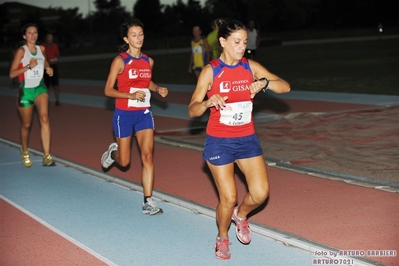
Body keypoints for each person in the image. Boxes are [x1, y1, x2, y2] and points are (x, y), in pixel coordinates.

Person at [188, 19, 290, 260]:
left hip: (247, 140)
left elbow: (285, 86)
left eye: (244, 42)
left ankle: (240, 216)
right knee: (229, 197)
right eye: (236, 42)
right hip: (219, 141)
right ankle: (222, 237)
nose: (242, 47)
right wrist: (206, 102)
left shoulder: (250, 67)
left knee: (260, 194)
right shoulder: (210, 70)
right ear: (223, 42)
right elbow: (192, 109)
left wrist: (264, 83)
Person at [101, 18, 168, 215]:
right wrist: (129, 95)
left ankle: (148, 200)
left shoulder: (149, 61)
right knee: (124, 162)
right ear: (126, 38)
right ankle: (113, 153)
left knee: (147, 156)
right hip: (124, 115)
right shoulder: (120, 60)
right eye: (134, 35)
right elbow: (107, 90)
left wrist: (158, 89)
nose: (138, 38)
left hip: (144, 113)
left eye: (141, 34)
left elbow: (147, 82)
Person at [9, 23, 56, 167]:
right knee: (26, 124)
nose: (33, 35)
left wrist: (48, 69)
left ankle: (47, 155)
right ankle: (24, 150)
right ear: (24, 36)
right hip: (26, 91)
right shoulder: (21, 52)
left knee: (44, 118)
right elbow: (12, 74)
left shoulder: (41, 49)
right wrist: (29, 66)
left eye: (35, 32)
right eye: (29, 33)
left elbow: (45, 63)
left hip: (40, 88)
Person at [42, 33, 61, 106]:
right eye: (48, 40)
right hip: (46, 67)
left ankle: (57, 100)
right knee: (46, 85)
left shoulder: (55, 46)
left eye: (51, 40)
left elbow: (57, 55)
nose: (49, 41)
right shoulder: (43, 46)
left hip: (54, 66)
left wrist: (55, 59)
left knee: (56, 84)